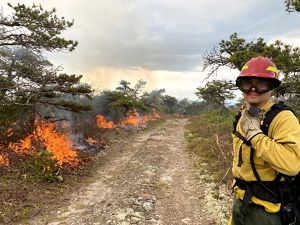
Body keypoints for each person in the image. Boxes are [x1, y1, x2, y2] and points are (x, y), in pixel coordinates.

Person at [228, 56, 300, 225]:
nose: (253, 89)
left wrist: (255, 135)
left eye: (261, 84)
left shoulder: (282, 118)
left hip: (268, 211)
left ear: (272, 87)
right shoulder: (243, 115)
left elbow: (292, 164)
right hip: (241, 201)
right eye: (247, 83)